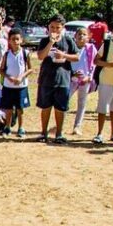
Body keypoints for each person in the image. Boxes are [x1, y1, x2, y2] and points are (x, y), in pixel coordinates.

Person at [35, 15, 79, 144]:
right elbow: (40, 56)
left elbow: (76, 57)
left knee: (61, 108)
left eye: (57, 28)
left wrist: (64, 55)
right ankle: (44, 132)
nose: (54, 30)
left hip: (63, 78)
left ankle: (59, 133)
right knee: (45, 107)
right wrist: (51, 42)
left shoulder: (68, 40)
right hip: (46, 78)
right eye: (52, 27)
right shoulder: (44, 41)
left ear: (63, 28)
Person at [0, 28, 32, 138]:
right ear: (9, 41)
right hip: (8, 86)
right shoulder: (6, 54)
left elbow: (30, 69)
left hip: (21, 86)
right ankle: (7, 127)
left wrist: (21, 77)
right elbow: (1, 70)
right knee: (8, 108)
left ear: (21, 40)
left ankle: (21, 128)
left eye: (17, 39)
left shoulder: (25, 53)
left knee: (20, 108)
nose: (15, 41)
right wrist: (9, 78)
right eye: (13, 39)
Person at [69, 27, 97, 136]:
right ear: (75, 36)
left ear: (88, 37)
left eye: (84, 34)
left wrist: (89, 77)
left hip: (85, 80)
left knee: (82, 103)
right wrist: (72, 74)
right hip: (72, 79)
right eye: (79, 34)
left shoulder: (90, 48)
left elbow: (94, 64)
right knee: (64, 101)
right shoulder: (71, 48)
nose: (81, 36)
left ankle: (77, 126)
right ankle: (59, 123)